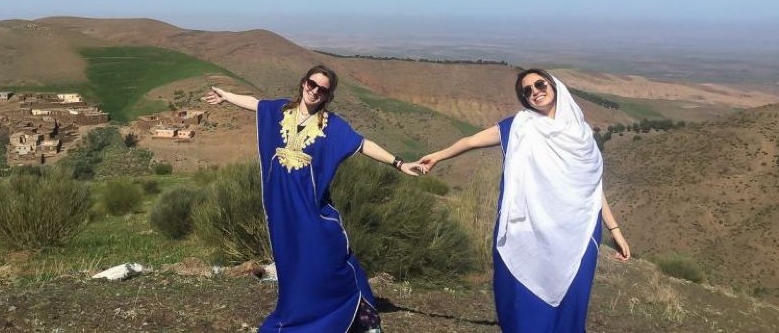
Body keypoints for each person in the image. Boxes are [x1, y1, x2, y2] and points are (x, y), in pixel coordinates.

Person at [202, 65, 423, 333]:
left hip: (311, 208)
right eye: (312, 84)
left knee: (331, 255)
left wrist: (399, 163)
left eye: (322, 90)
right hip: (282, 208)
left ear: (328, 96)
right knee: (294, 263)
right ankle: (299, 312)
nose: (315, 91)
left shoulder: (332, 126)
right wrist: (226, 96)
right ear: (303, 82)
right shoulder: (280, 111)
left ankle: (362, 312)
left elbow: (363, 144)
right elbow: (256, 104)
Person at [418, 69, 630, 333]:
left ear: (554, 86)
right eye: (527, 91)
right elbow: (472, 141)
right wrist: (438, 156)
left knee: (572, 299)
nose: (535, 92)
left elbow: (591, 187)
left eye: (540, 84)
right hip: (529, 229)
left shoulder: (581, 134)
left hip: (578, 232)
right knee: (524, 299)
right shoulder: (520, 126)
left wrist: (614, 230)